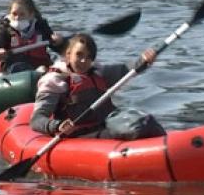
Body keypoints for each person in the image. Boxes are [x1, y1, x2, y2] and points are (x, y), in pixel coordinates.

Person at [30, 33, 166, 140]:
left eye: (89, 57)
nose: (84, 61)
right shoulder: (54, 80)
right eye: (79, 55)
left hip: (106, 124)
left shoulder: (98, 72)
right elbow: (37, 120)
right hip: (79, 134)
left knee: (147, 123)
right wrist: (57, 125)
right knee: (137, 129)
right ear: (68, 55)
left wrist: (144, 60)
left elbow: (127, 70)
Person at [0, 0, 66, 75]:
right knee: (18, 67)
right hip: (13, 68)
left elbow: (59, 48)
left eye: (22, 14)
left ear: (31, 15)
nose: (17, 18)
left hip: (40, 66)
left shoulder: (41, 27)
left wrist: (59, 42)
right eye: (14, 14)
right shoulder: (3, 30)